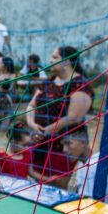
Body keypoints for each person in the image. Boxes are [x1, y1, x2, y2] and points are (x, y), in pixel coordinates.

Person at [26, 46, 93, 186]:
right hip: (39, 142)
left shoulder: (80, 85)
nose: (50, 60)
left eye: (55, 57)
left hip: (61, 147)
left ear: (66, 62)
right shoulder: (48, 82)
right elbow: (31, 106)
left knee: (55, 185)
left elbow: (73, 118)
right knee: (35, 184)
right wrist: (32, 125)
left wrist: (45, 131)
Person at [64, 125, 108, 204]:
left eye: (68, 143)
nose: (64, 149)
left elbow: (88, 204)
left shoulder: (94, 165)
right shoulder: (82, 163)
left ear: (83, 142)